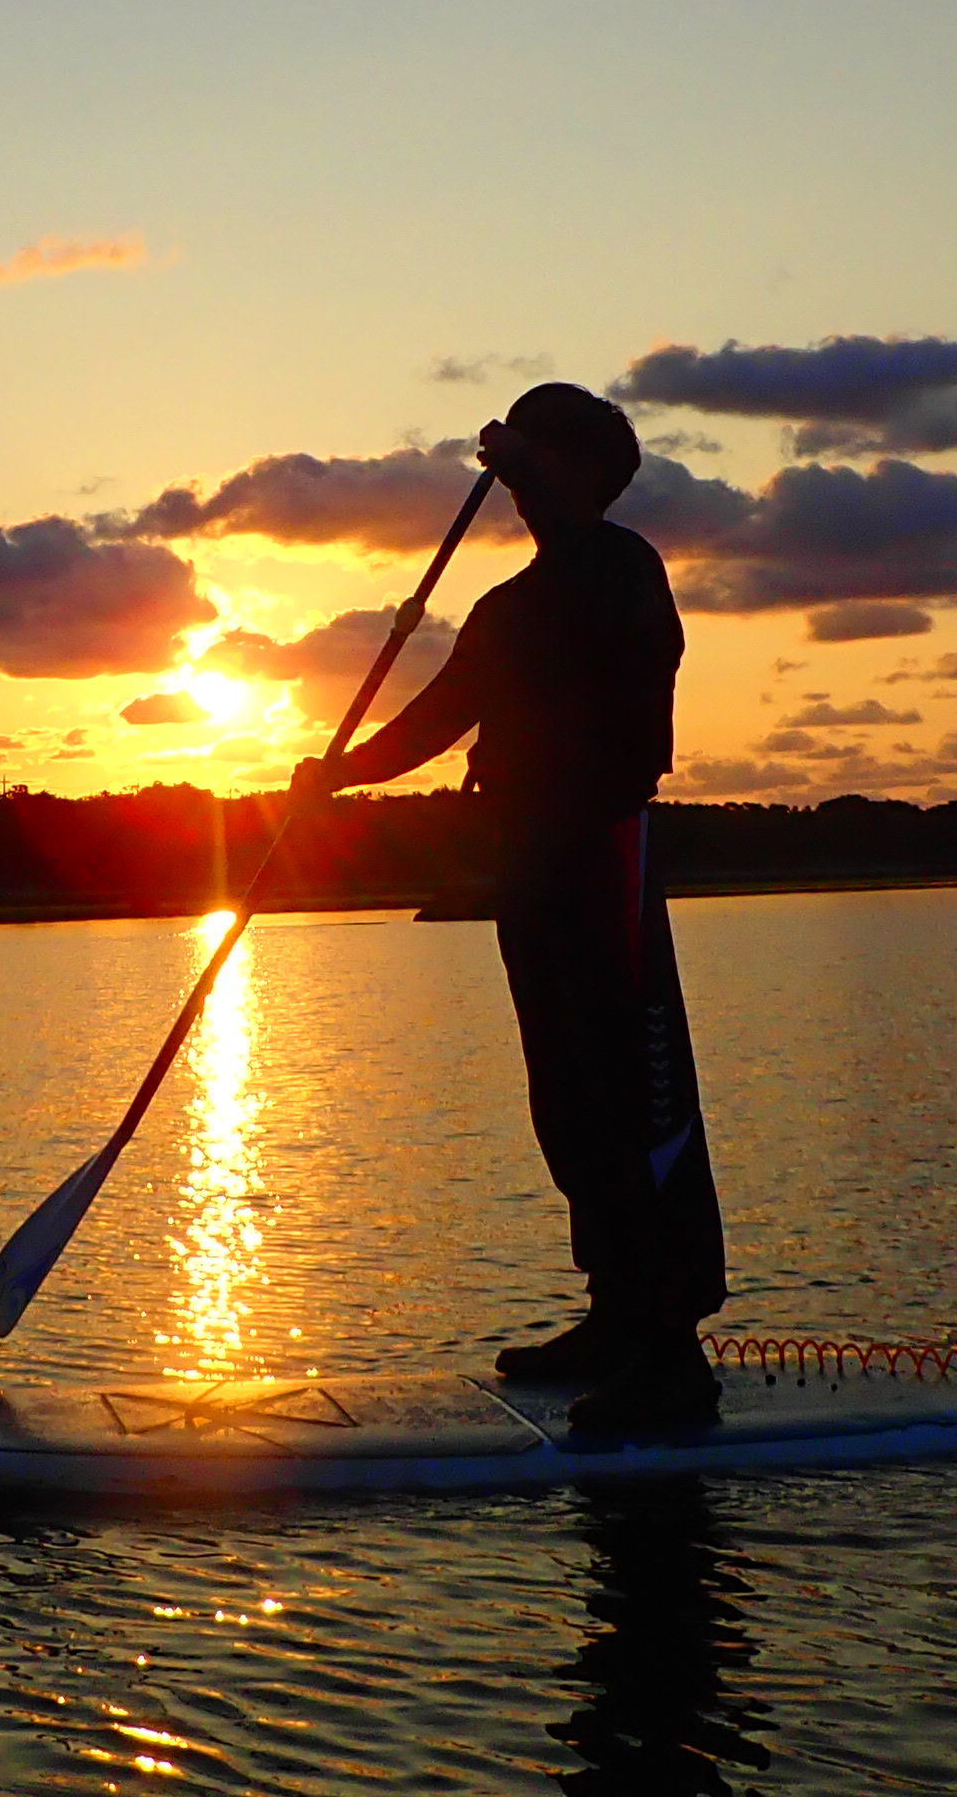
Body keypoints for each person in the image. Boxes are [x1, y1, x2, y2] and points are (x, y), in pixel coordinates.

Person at [290, 381, 729, 1441]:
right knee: (566, 1099)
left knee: (630, 1095)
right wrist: (338, 775)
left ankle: (671, 1351)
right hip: (528, 865)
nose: (520, 479)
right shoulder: (506, 606)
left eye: (540, 456)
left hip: (602, 852)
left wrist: (523, 459)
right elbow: (438, 717)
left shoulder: (620, 568)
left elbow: (599, 620)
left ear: (579, 471)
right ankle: (616, 1315)